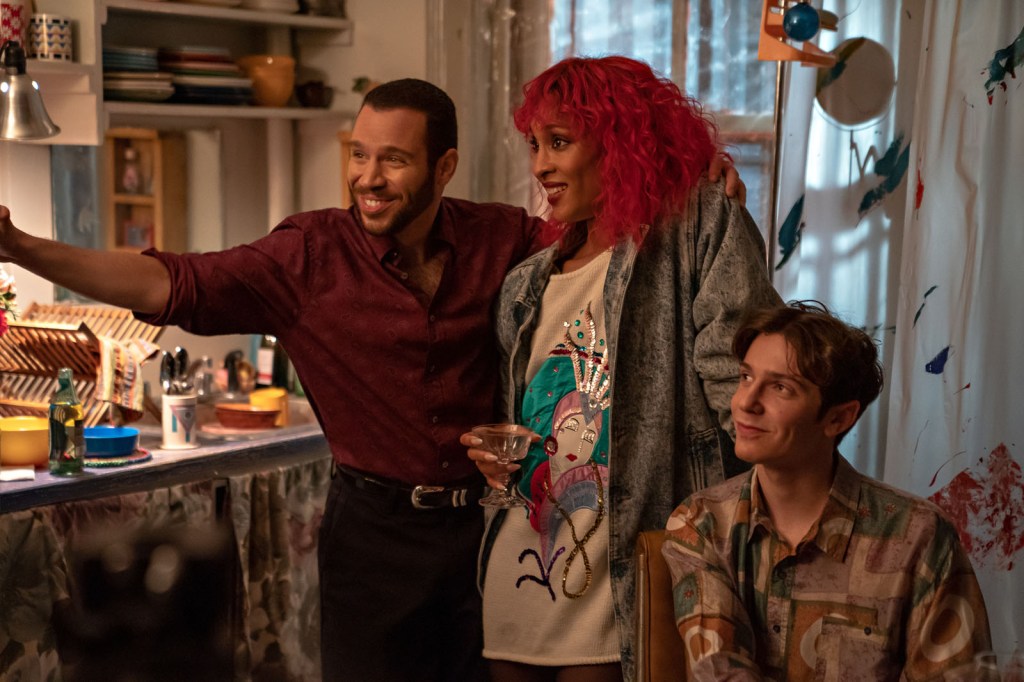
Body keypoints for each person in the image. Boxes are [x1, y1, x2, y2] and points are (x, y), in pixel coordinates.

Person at [0, 77, 745, 681]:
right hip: (373, 539)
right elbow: (168, 282)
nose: (367, 177)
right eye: (358, 155)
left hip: (487, 536)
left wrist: (694, 178)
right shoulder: (307, 256)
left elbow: (608, 216)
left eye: (392, 159)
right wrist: (19, 246)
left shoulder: (507, 240)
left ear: (444, 167)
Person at [462, 56, 780, 682]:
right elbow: (515, 420)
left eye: (559, 142)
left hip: (630, 557)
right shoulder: (526, 282)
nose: (540, 165)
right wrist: (491, 458)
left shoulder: (695, 228)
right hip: (522, 556)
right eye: (534, 145)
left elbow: (742, 383)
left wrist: (787, 507)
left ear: (620, 141)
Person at [661, 301, 992, 680]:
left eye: (780, 387)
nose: (745, 402)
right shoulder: (701, 524)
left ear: (839, 418)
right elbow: (719, 671)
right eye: (746, 377)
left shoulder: (920, 536)